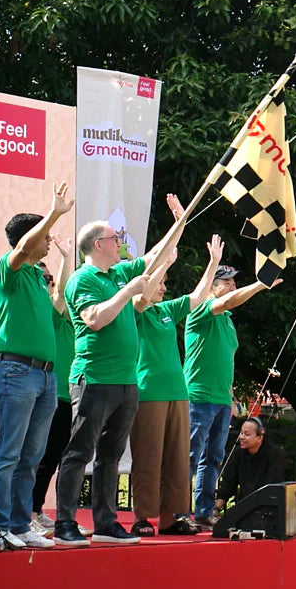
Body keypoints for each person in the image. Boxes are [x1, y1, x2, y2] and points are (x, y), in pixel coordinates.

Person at [52, 196, 187, 547]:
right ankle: (65, 522)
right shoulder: (84, 279)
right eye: (116, 239)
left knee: (111, 456)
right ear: (99, 244)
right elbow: (94, 319)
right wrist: (128, 291)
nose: (121, 244)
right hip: (94, 380)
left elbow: (155, 257)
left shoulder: (117, 272)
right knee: (80, 453)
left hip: (127, 383)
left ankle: (106, 522)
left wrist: (180, 223)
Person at [0, 181, 73, 551]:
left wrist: (66, 263)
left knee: (31, 456)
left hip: (45, 376)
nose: (49, 240)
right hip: (16, 372)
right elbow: (22, 248)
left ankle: (21, 524)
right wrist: (53, 211)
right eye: (46, 235)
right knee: (9, 453)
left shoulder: (39, 279)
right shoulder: (7, 270)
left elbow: (58, 306)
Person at [129, 234, 224, 537]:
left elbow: (197, 297)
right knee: (148, 455)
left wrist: (213, 265)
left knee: (176, 458)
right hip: (149, 393)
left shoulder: (167, 311)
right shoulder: (137, 310)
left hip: (178, 394)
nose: (164, 287)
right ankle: (143, 517)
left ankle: (171, 518)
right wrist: (163, 263)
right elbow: (142, 297)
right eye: (161, 282)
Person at [184, 266, 280, 526]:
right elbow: (226, 301)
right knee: (190, 457)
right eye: (227, 282)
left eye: (235, 282)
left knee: (213, 458)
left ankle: (203, 512)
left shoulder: (226, 320)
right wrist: (261, 284)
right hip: (198, 396)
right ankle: (179, 513)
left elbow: (225, 361)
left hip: (220, 400)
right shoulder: (201, 309)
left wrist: (231, 398)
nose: (233, 286)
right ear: (212, 286)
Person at [28, 234, 75, 538]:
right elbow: (59, 294)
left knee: (54, 456)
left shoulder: (66, 311)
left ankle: (36, 510)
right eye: (43, 276)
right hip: (48, 391)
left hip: (68, 392)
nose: (48, 281)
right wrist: (67, 260)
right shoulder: (46, 309)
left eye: (49, 275)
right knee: (38, 456)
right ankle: (27, 512)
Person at [214, 416, 285, 512]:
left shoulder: (274, 454)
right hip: (245, 507)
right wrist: (216, 508)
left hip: (268, 508)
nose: (241, 437)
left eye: (246, 434)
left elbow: (271, 486)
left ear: (260, 437)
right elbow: (228, 483)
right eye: (241, 433)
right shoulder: (238, 453)